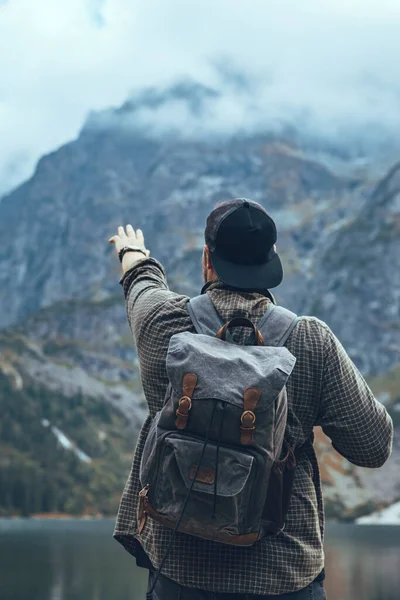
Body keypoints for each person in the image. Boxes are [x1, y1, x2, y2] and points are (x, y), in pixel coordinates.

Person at [109, 198, 393, 600]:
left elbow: (141, 286)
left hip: (180, 572)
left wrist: (132, 254)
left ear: (207, 259)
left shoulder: (163, 324)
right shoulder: (311, 341)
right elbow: (373, 447)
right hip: (282, 576)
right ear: (271, 264)